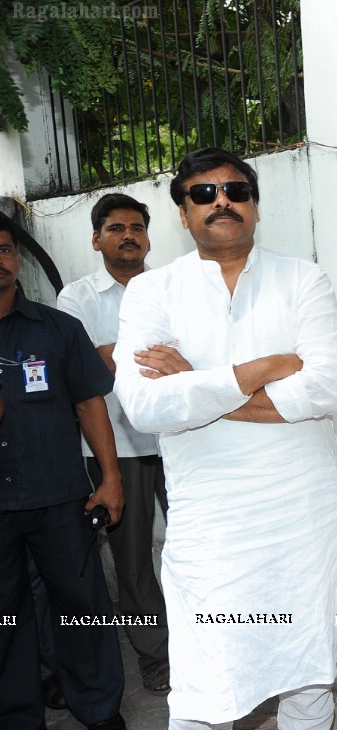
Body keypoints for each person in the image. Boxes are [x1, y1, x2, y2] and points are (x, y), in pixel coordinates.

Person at [112, 148, 337, 729]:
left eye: (236, 190)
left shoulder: (304, 278)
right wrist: (261, 369)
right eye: (203, 194)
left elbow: (326, 388)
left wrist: (195, 384)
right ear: (183, 213)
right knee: (207, 686)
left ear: (255, 206)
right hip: (214, 526)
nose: (221, 201)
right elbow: (147, 405)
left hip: (305, 515)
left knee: (310, 673)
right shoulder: (153, 292)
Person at [0, 212, 127, 730]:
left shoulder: (58, 329)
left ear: (17, 260)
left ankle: (99, 710)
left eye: (5, 249)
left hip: (59, 498)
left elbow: (90, 404)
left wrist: (112, 478)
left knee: (83, 610)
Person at [58, 193, 171, 695]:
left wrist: (116, 353)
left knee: (204, 545)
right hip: (117, 449)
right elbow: (88, 367)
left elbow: (191, 355)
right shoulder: (76, 299)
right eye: (116, 227)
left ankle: (209, 646)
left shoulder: (174, 286)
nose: (129, 235)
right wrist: (147, 356)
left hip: (183, 439)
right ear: (96, 237)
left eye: (137, 227)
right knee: (132, 562)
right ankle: (156, 659)